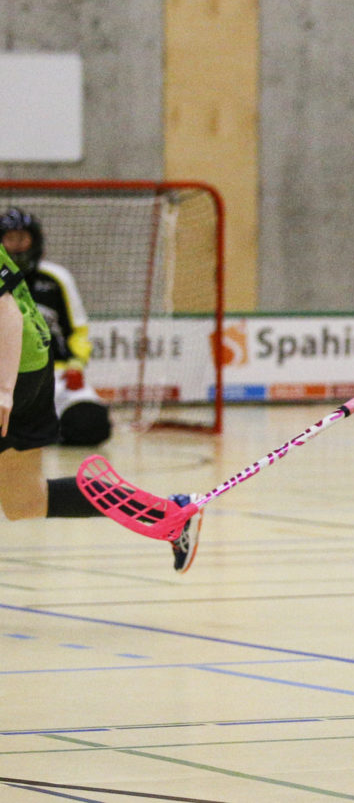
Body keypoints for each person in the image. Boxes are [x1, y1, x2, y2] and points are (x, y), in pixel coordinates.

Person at [0, 239, 200, 573]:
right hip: (30, 361)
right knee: (25, 500)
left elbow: (6, 311)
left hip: (15, 365)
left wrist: (4, 389)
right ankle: (170, 514)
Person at [0, 207, 111, 446]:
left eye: (22, 238)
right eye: (10, 238)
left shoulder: (57, 278)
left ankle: (45, 429)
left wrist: (76, 364)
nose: (17, 246)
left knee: (91, 423)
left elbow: (78, 330)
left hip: (57, 376)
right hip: (7, 375)